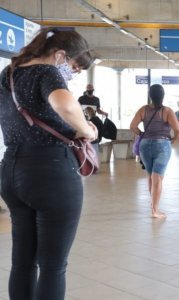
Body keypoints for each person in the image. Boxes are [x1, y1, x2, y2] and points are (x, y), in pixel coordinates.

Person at [0, 27, 97, 300]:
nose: (72, 73)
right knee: (53, 267)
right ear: (60, 55)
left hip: (11, 170)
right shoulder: (47, 72)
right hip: (50, 171)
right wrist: (88, 131)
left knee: (22, 263)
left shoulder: (8, 74)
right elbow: (65, 106)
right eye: (73, 66)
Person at [130, 84, 179, 218]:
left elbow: (133, 126)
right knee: (158, 177)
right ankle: (155, 210)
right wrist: (174, 140)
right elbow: (178, 130)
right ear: (163, 96)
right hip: (162, 144)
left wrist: (142, 134)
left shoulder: (143, 110)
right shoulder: (167, 111)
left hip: (145, 145)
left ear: (150, 96)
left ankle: (153, 204)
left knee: (151, 175)